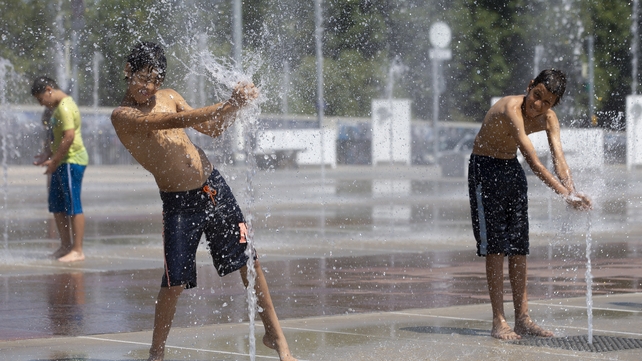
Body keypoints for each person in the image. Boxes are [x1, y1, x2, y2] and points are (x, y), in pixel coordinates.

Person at [111, 42, 296, 361]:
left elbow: (212, 130)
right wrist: (227, 101)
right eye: (143, 77)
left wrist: (235, 107)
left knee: (250, 262)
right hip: (179, 204)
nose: (149, 86)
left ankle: (279, 343)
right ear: (128, 71)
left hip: (214, 188)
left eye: (155, 78)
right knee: (174, 282)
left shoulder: (170, 96)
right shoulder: (122, 116)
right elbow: (166, 123)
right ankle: (156, 353)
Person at [468, 69, 592, 340]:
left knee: (519, 247)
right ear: (529, 86)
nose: (538, 105)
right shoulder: (511, 108)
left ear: (553, 105)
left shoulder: (549, 119)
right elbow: (534, 161)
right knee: (496, 247)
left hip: (510, 168)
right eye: (537, 96)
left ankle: (522, 319)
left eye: (547, 102)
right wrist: (563, 195)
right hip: (485, 168)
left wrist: (572, 191)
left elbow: (558, 158)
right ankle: (499, 321)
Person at [31, 77, 88, 263]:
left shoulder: (64, 107)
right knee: (57, 205)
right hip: (61, 161)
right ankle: (65, 247)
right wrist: (47, 154)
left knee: (72, 205)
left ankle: (77, 250)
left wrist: (54, 160)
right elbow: (56, 137)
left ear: (49, 89)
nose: (42, 104)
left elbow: (69, 136)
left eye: (41, 99)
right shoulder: (57, 108)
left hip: (71, 160)